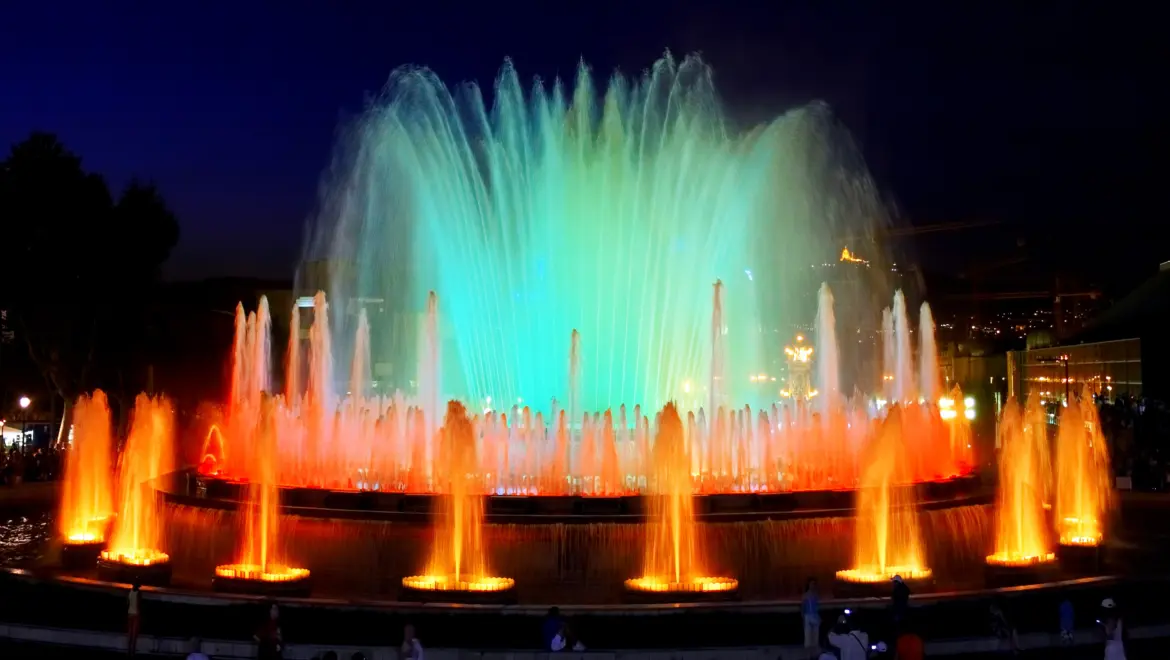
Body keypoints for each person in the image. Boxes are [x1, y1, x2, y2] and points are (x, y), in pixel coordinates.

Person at [801, 577, 822, 653]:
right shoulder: (805, 595)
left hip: (815, 615)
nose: (812, 585)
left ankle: (814, 649)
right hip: (808, 616)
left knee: (816, 634)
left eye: (813, 584)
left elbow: (817, 606)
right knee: (808, 634)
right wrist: (803, 616)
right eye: (811, 584)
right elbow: (803, 606)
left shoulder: (816, 595)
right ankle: (808, 651)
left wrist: (819, 616)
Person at [127, 583, 141, 658]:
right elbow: (139, 604)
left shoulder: (130, 592)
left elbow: (128, 602)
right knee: (134, 634)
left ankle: (129, 650)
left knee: (130, 633)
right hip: (136, 614)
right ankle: (133, 651)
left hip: (130, 613)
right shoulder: (138, 593)